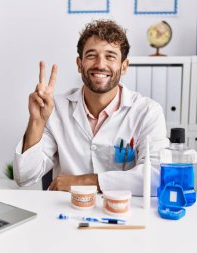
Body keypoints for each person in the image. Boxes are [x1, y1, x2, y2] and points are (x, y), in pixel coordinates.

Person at [13, 20, 169, 195]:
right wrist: (37, 121)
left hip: (123, 213)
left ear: (124, 66)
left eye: (110, 56)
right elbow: (24, 177)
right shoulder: (55, 109)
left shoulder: (147, 112)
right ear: (79, 64)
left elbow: (157, 177)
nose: (100, 64)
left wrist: (86, 181)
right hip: (64, 213)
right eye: (91, 55)